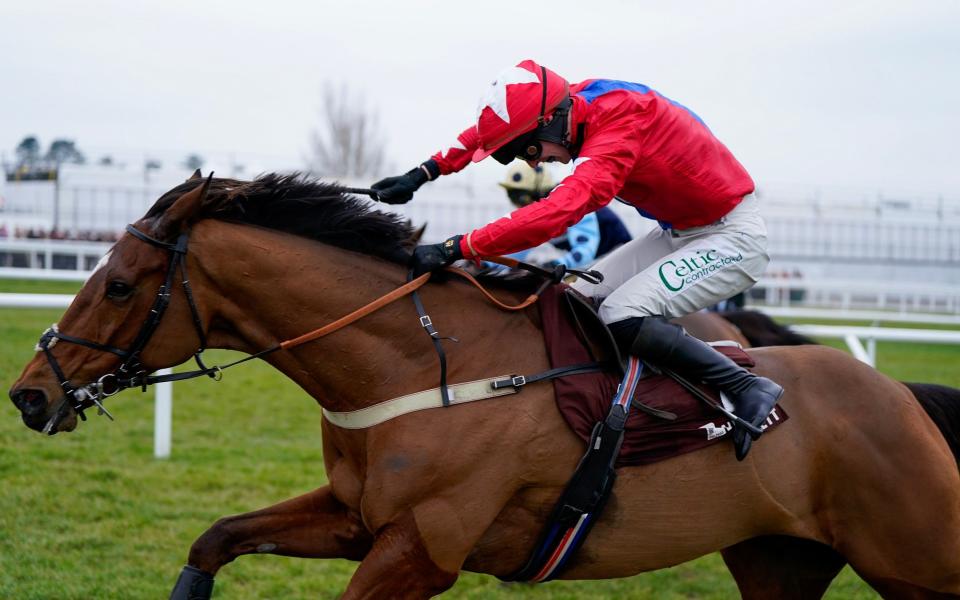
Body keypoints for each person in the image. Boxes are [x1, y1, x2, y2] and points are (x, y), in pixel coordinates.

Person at [372, 59, 781, 459]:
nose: (533, 162)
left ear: (550, 121)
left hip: (732, 238)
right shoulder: (572, 103)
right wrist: (424, 173)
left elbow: (556, 213)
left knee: (622, 312)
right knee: (575, 299)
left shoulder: (617, 127)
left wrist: (457, 248)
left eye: (529, 149)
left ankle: (746, 387)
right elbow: (484, 132)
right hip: (678, 232)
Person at [497, 162, 631, 269]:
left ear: (539, 193)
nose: (516, 205)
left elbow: (584, 252)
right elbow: (519, 248)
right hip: (596, 262)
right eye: (511, 196)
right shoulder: (537, 214)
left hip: (620, 258)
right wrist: (488, 263)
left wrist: (552, 265)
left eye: (519, 197)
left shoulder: (572, 202)